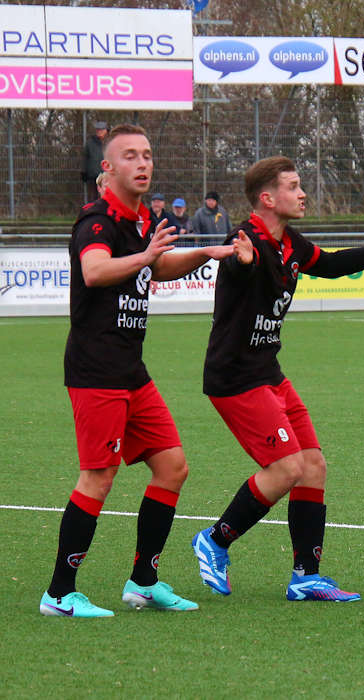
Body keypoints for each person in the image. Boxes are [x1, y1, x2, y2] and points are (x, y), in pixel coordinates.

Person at [190, 156, 364, 602]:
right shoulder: (244, 240)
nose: (302, 193)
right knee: (287, 468)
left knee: (312, 465)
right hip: (236, 377)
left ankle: (306, 577)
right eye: (293, 186)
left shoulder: (289, 242)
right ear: (267, 198)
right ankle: (214, 540)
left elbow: (331, 265)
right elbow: (238, 268)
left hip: (268, 373)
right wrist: (242, 263)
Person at [41, 124, 237, 617]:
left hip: (131, 371)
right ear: (107, 168)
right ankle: (59, 593)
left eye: (147, 154)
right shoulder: (97, 220)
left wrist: (205, 253)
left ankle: (144, 583)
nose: (143, 163)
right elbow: (95, 270)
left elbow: (156, 268)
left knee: (172, 467)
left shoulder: (144, 218)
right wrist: (146, 255)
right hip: (96, 371)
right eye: (130, 155)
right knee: (98, 477)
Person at [80, 121, 108, 199]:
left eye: (101, 130)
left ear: (106, 131)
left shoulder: (111, 142)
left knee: (106, 196)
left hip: (107, 175)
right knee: (93, 198)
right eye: (98, 130)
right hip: (93, 176)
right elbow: (85, 158)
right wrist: (84, 172)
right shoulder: (90, 143)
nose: (99, 131)